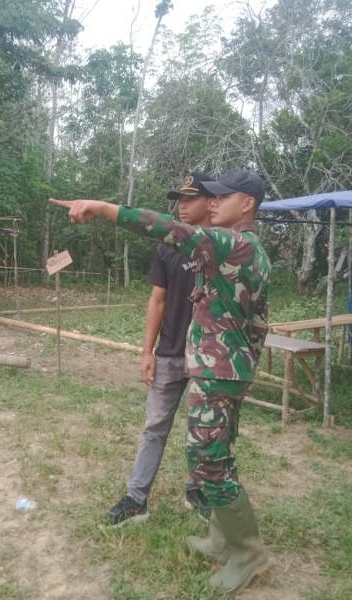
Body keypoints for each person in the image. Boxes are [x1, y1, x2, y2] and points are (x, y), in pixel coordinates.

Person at [50, 169, 271, 594]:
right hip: (222, 366)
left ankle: (248, 554)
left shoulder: (235, 243)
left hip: (218, 369)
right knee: (217, 457)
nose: (213, 203)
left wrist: (100, 207)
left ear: (248, 205)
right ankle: (224, 540)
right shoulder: (238, 247)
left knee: (207, 460)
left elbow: (164, 226)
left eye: (223, 198)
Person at [107, 172, 215, 528]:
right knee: (154, 427)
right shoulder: (168, 246)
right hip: (170, 351)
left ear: (210, 201)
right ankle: (136, 500)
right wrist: (147, 351)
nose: (182, 206)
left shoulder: (223, 244)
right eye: (179, 200)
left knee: (204, 430)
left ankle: (197, 490)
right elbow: (157, 300)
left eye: (190, 198)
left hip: (209, 355)